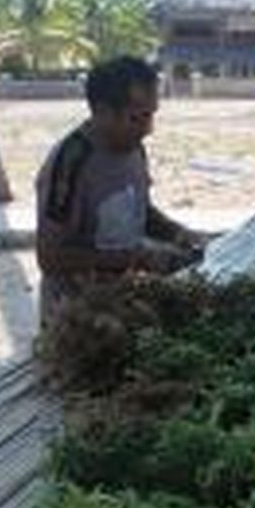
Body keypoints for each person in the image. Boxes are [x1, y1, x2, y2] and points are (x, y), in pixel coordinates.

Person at [35, 56, 211, 326]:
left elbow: (140, 210)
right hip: (76, 323)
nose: (149, 128)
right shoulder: (71, 162)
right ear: (104, 111)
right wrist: (137, 259)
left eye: (152, 115)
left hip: (121, 309)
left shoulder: (133, 146)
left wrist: (180, 234)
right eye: (138, 117)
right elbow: (51, 257)